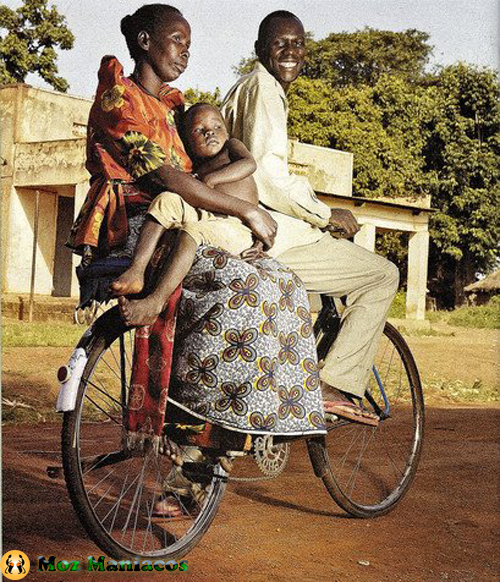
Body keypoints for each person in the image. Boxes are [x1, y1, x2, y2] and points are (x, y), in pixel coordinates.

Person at [67, 3, 328, 518]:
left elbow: (208, 168)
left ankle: (241, 424)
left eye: (190, 43)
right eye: (176, 40)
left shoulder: (174, 109)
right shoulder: (121, 99)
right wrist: (247, 211)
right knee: (242, 287)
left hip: (179, 223)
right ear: (144, 41)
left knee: (284, 285)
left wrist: (236, 195)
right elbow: (170, 180)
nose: (186, 51)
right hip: (135, 228)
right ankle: (194, 428)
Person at [221, 10, 400, 425]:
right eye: (280, 43)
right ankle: (331, 383)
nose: (290, 52)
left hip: (239, 224)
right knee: (382, 275)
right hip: (269, 231)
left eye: (298, 43)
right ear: (260, 50)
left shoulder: (241, 89)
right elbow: (268, 176)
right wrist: (324, 214)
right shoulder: (264, 90)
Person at [111, 102, 265, 326]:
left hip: (236, 225)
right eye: (198, 130)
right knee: (166, 201)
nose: (209, 132)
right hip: (206, 214)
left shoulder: (231, 148)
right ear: (188, 142)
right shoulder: (194, 168)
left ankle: (155, 301)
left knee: (191, 232)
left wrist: (212, 180)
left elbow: (249, 164)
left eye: (216, 127)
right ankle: (137, 270)